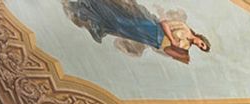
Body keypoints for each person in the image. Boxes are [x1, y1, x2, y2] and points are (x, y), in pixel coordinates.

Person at [62, 0, 211, 64]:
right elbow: (164, 23)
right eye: (202, 44)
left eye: (201, 48)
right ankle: (93, 4)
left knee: (119, 29)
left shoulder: (185, 48)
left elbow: (165, 50)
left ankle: (90, 15)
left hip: (153, 41)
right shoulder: (184, 28)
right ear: (201, 38)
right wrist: (172, 39)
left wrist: (177, 53)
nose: (199, 46)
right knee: (122, 21)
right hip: (155, 30)